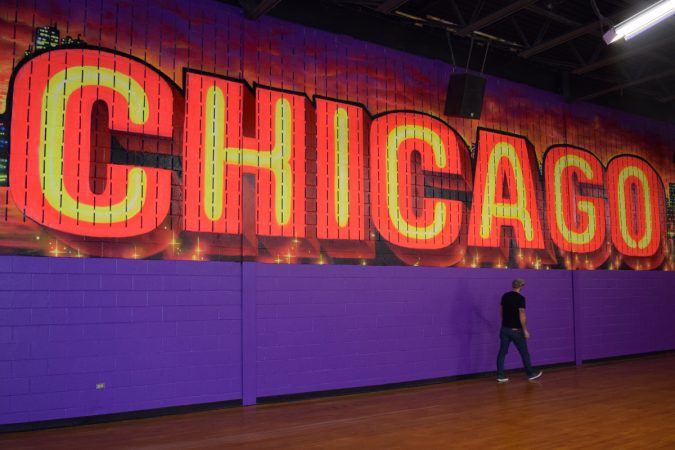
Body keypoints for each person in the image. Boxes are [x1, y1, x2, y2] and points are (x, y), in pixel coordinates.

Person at [496, 278, 542, 382]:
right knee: (524, 353)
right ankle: (530, 374)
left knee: (502, 352)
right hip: (516, 330)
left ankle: (500, 375)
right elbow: (522, 315)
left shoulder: (505, 296)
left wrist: (505, 323)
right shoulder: (521, 298)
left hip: (504, 329)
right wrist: (525, 330)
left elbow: (501, 311)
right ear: (521, 287)